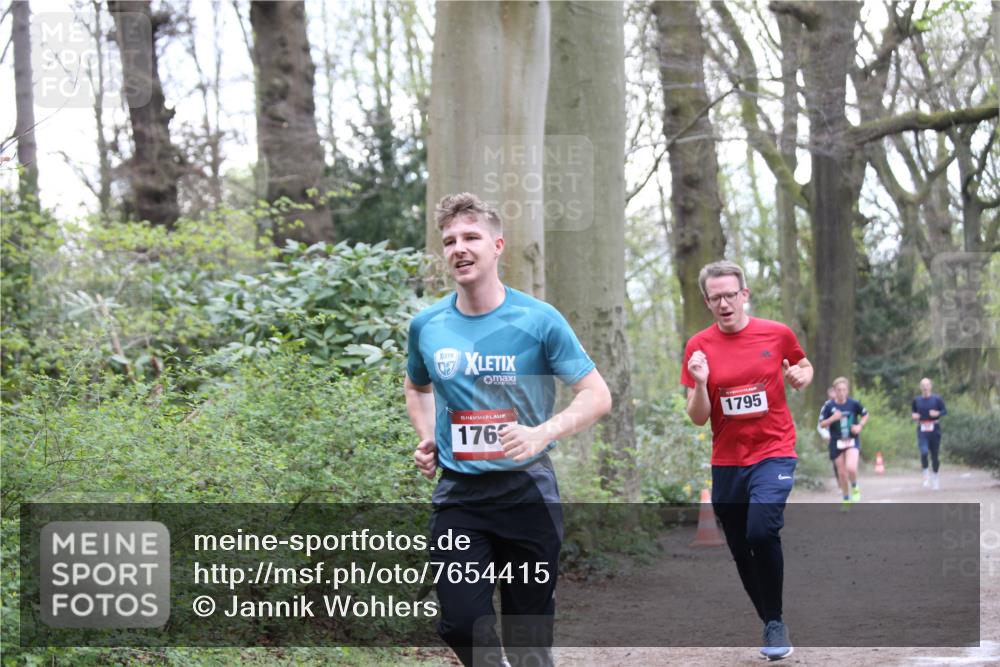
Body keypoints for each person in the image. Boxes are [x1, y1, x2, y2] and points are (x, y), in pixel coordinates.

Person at [405, 193, 612, 667]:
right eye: (450, 240)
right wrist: (428, 435)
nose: (459, 247)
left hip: (527, 492)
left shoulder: (539, 320)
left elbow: (597, 395)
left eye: (471, 237)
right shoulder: (428, 325)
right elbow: (417, 388)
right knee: (458, 621)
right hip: (460, 495)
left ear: (497, 245)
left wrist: (542, 432)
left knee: (528, 641)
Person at [681, 260, 812, 661]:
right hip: (727, 461)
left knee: (760, 531)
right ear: (707, 301)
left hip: (773, 451)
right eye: (715, 297)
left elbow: (802, 364)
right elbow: (698, 415)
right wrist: (701, 383)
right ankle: (772, 620)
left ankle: (774, 623)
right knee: (740, 546)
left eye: (730, 295)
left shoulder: (777, 333)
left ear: (744, 295)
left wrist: (801, 376)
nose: (724, 303)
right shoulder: (697, 347)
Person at [819, 377, 869, 508]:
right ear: (834, 391)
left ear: (847, 390)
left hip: (851, 439)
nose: (841, 392)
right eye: (839, 390)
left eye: (844, 390)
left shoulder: (854, 403)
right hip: (836, 441)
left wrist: (860, 426)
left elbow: (865, 414)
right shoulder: (829, 406)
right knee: (841, 473)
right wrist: (832, 418)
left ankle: (855, 486)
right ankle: (846, 499)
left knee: (851, 467)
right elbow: (822, 424)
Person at [911, 377, 947, 490]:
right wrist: (914, 416)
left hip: (934, 429)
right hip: (922, 429)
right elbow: (914, 412)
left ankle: (935, 477)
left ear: (930, 386)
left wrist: (937, 413)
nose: (925, 387)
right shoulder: (916, 400)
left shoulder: (937, 399)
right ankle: (926, 474)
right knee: (924, 452)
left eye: (927, 385)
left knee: (935, 455)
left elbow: (945, 411)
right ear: (920, 387)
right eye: (923, 385)